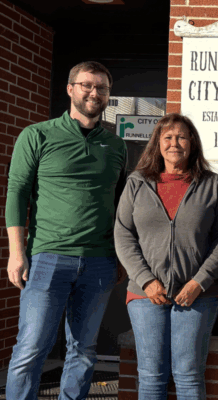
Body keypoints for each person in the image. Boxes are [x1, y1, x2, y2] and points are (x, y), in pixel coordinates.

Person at [5, 61, 128, 399]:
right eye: (87, 85)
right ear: (70, 89)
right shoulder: (37, 135)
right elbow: (16, 193)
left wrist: (118, 256)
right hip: (47, 259)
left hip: (99, 262)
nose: (94, 92)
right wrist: (17, 253)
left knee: (84, 351)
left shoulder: (115, 146)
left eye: (101, 87)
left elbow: (120, 206)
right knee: (31, 350)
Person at [114, 113, 218, 399]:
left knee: (188, 376)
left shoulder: (212, 185)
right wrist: (146, 280)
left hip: (197, 296)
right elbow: (123, 235)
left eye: (181, 137)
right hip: (145, 295)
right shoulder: (137, 183)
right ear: (157, 143)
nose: (174, 143)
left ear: (192, 143)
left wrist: (198, 282)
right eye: (167, 137)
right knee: (151, 376)